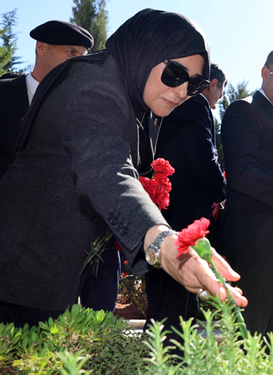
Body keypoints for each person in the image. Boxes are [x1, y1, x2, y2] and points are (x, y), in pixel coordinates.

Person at [0, 9, 246, 327]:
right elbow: (108, 168)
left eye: (196, 85)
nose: (184, 92)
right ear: (145, 55)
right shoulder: (93, 85)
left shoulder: (131, 98)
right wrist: (161, 242)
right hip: (17, 274)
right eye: (175, 74)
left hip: (45, 276)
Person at [216, 48, 273, 337]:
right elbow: (242, 175)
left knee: (271, 340)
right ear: (265, 73)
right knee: (250, 341)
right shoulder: (244, 110)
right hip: (254, 249)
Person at [147, 63, 228, 335]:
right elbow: (204, 158)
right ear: (212, 84)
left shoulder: (174, 107)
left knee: (169, 306)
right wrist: (224, 194)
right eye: (220, 92)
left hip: (167, 213)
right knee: (175, 308)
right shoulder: (197, 104)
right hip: (182, 215)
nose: (218, 101)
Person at [0, 20, 93, 179]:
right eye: (70, 52)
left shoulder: (86, 108)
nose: (78, 63)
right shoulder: (3, 94)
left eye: (82, 57)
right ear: (41, 47)